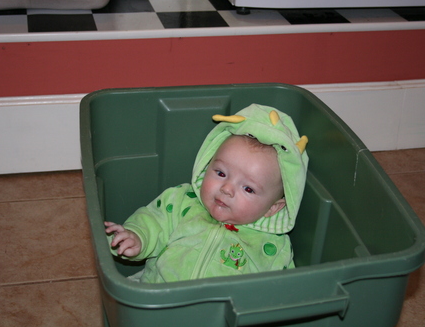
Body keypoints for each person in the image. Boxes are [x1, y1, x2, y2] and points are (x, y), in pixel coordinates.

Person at [104, 104, 309, 283]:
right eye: (220, 173)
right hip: (159, 299)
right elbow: (153, 221)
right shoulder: (182, 202)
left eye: (248, 188)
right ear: (206, 165)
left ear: (272, 208)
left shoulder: (273, 247)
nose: (226, 189)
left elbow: (280, 292)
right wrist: (136, 237)